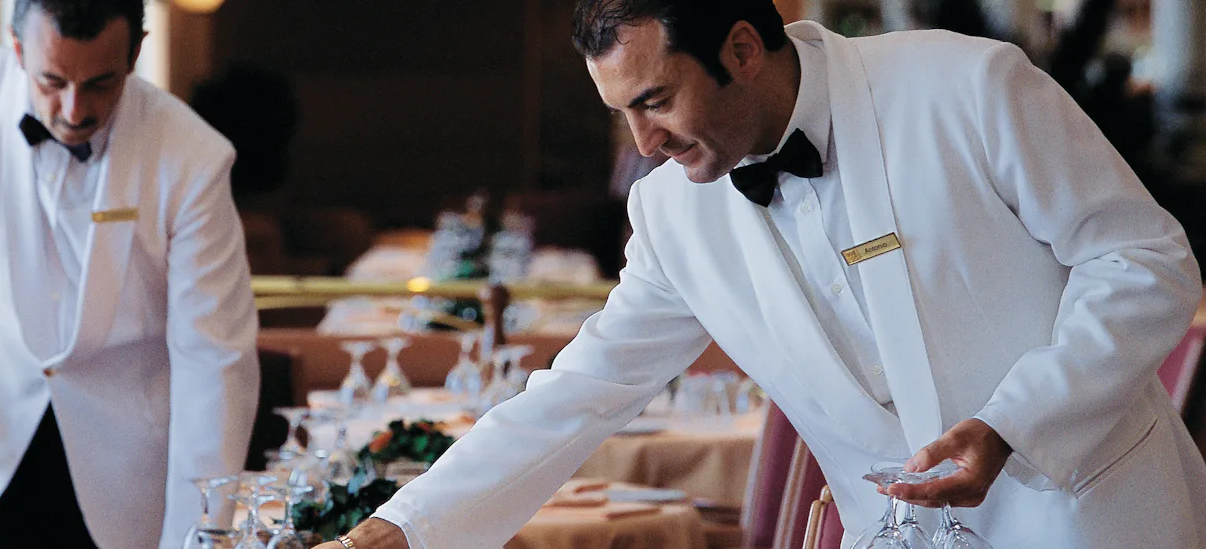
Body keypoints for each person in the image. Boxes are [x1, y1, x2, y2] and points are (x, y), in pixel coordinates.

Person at [324, 1, 1206, 547]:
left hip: (1092, 520)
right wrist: (404, 528)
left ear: (743, 49)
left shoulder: (967, 87)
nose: (644, 147)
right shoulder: (672, 213)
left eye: (656, 101)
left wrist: (1011, 423)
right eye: (621, 114)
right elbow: (581, 390)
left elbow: (1143, 261)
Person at [0, 0, 259, 547]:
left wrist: (198, 535)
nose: (75, 110)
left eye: (101, 83)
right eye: (52, 81)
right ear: (17, 49)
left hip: (125, 466)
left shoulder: (193, 158)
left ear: (135, 55)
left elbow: (214, 360)